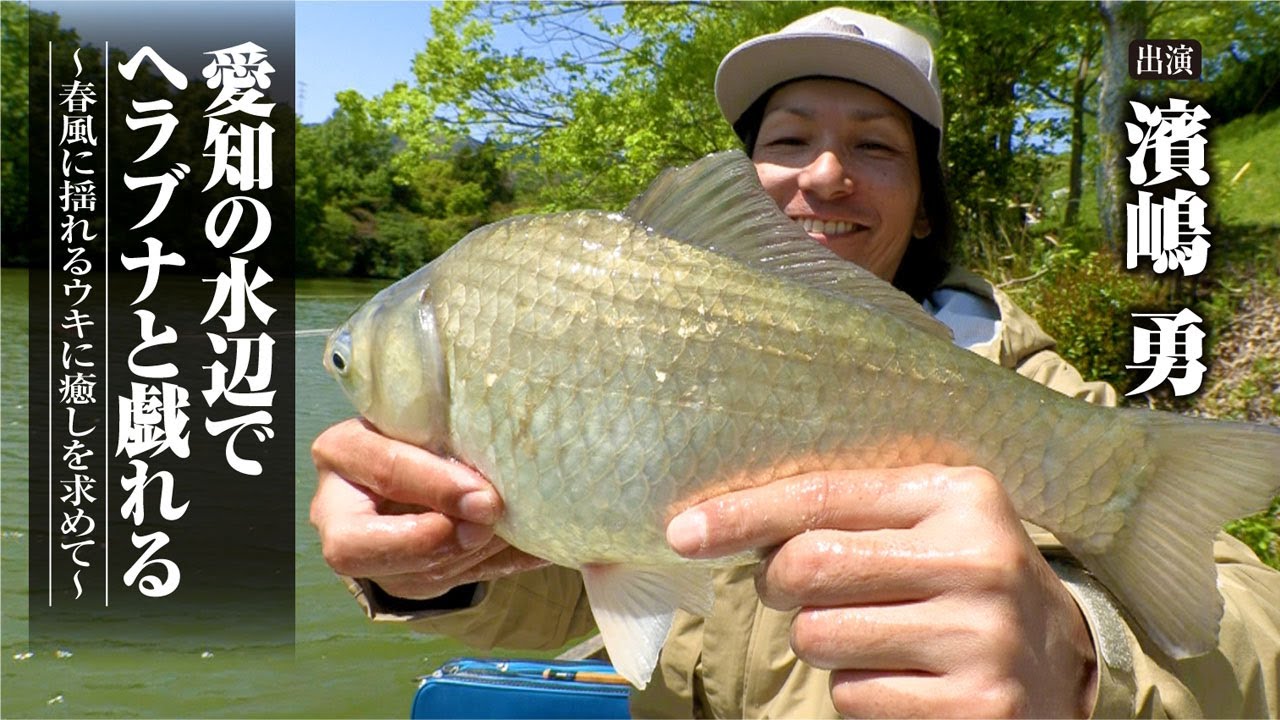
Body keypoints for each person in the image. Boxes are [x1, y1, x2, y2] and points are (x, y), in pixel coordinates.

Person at [310, 8, 1280, 718]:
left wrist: (1078, 660)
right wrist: (428, 568)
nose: (823, 175)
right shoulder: (632, 338)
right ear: (737, 188)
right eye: (786, 140)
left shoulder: (1035, 399)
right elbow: (563, 593)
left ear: (927, 206)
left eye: (874, 146)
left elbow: (1256, 637)